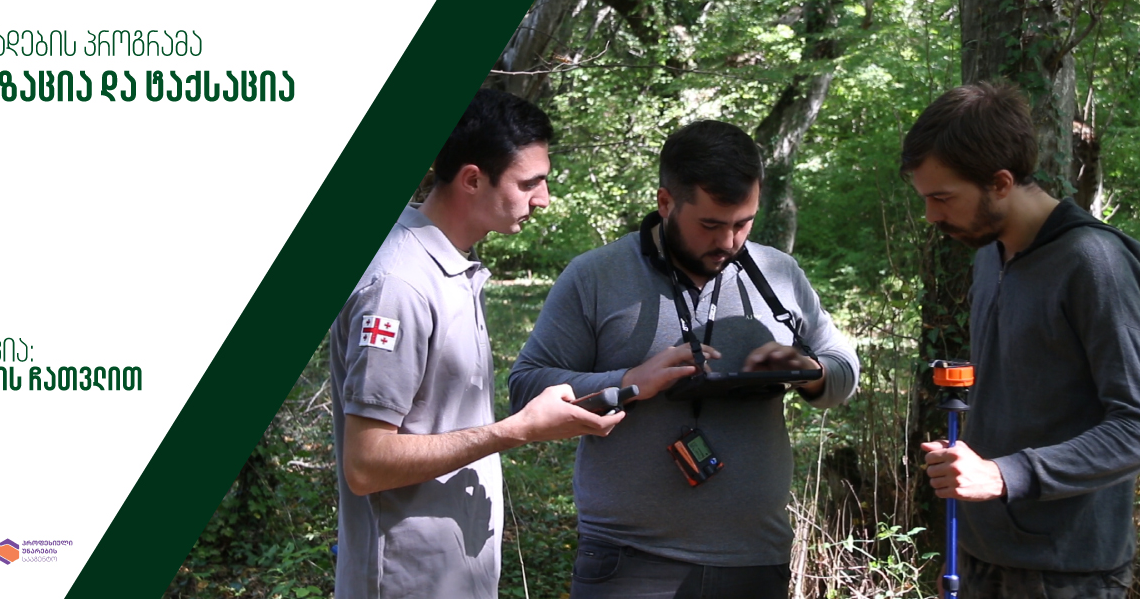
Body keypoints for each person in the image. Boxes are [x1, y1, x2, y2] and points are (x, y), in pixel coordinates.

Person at [329, 89, 694, 599]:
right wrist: (517, 430)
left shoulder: (450, 267)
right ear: (472, 179)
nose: (543, 199)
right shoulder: (400, 285)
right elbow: (366, 464)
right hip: (405, 582)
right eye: (529, 183)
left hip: (454, 579)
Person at [509, 120, 860, 599]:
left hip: (755, 558)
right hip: (628, 558)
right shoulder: (595, 276)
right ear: (665, 202)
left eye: (743, 223)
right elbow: (526, 387)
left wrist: (810, 372)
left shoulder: (779, 274)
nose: (730, 242)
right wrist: (629, 381)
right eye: (711, 225)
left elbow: (844, 369)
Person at [907, 82, 1140, 598]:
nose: (932, 216)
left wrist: (1003, 474)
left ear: (1001, 182)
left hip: (1067, 572)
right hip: (980, 555)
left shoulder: (1094, 263)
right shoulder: (988, 257)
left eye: (942, 198)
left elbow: (1134, 424)